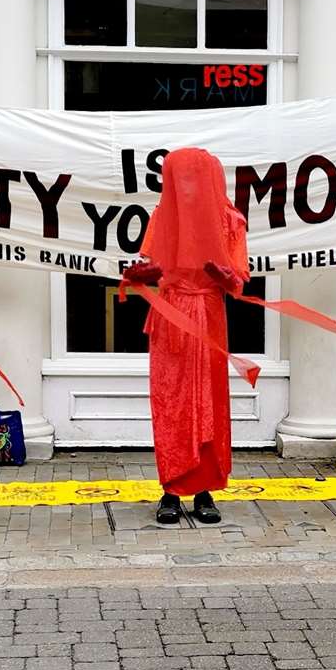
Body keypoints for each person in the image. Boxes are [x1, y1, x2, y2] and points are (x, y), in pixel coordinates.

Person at [123, 148, 251, 526]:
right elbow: (151, 266)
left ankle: (204, 490)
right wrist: (140, 275)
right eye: (180, 179)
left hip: (209, 315)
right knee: (172, 403)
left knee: (209, 403)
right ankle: (171, 488)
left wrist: (222, 274)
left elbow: (240, 282)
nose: (187, 187)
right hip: (171, 315)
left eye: (194, 179)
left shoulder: (230, 220)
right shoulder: (163, 217)